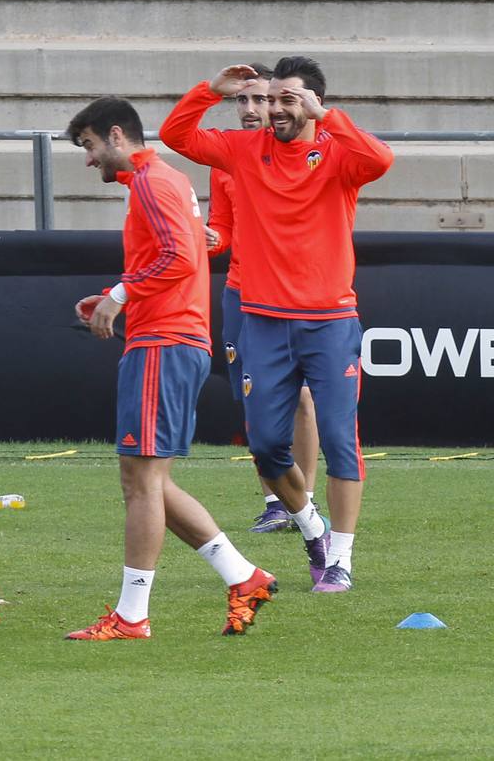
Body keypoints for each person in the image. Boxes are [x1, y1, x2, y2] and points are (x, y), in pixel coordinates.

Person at [162, 56, 394, 593]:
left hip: (330, 321)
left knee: (341, 441)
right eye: (271, 100)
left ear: (311, 103)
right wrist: (209, 91)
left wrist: (328, 116)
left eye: (288, 99)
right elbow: (177, 135)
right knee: (266, 446)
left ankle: (340, 559)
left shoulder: (337, 155)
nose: (275, 109)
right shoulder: (244, 152)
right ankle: (311, 527)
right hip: (264, 322)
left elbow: (381, 160)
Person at [64, 96, 276, 640]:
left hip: (165, 341)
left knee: (140, 482)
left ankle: (133, 615)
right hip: (168, 336)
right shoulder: (162, 180)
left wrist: (120, 293)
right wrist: (116, 296)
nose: (89, 160)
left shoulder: (153, 182)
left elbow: (181, 257)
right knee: (150, 480)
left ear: (116, 135)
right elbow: (177, 255)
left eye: (89, 146)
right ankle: (243, 576)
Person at [206, 63, 323, 534]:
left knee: (303, 398)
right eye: (244, 100)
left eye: (262, 100)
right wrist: (201, 237)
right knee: (256, 404)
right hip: (241, 291)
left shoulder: (306, 151)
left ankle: (306, 501)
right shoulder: (228, 158)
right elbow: (224, 231)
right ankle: (275, 501)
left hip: (296, 296)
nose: (254, 109)